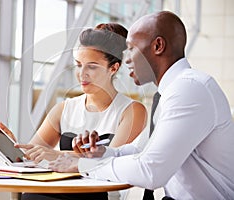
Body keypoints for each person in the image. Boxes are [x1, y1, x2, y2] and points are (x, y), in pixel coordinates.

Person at [49, 11, 234, 200]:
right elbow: (140, 150)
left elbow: (151, 171)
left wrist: (83, 166)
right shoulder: (171, 92)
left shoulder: (189, 89)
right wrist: (100, 153)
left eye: (130, 48)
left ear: (158, 46)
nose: (125, 58)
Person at [0, 22, 147, 200]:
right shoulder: (63, 109)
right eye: (78, 65)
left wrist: (57, 155)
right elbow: (33, 158)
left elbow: (110, 162)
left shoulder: (132, 111)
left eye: (91, 66)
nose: (82, 74)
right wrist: (13, 147)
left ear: (113, 68)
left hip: (99, 194)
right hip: (60, 188)